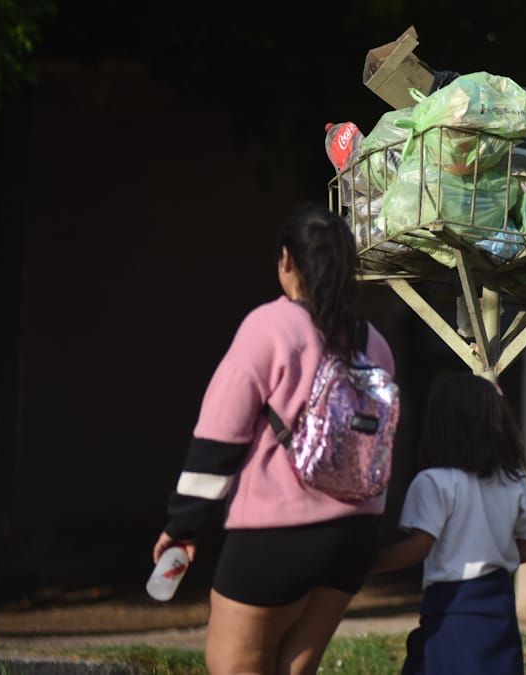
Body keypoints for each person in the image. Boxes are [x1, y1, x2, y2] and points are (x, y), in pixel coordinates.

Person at [151, 202, 396, 674]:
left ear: (286, 260)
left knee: (234, 664)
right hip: (355, 537)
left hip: (276, 535)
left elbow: (219, 438)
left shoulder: (270, 326)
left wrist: (182, 525)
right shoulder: (374, 342)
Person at [372, 373, 526, 675]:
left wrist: (363, 565)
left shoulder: (433, 482)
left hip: (451, 608)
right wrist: (492, 554)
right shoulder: (514, 479)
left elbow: (418, 547)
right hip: (499, 605)